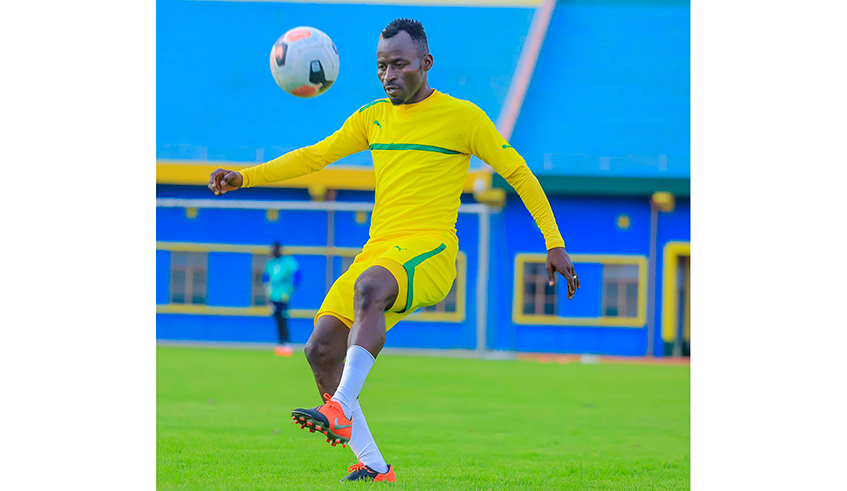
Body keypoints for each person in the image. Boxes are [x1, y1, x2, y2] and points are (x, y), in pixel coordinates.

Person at [208, 18, 580, 483]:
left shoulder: (464, 118)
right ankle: (373, 464)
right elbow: (313, 156)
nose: (388, 75)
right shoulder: (372, 118)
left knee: (370, 286)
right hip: (380, 249)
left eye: (399, 64)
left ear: (426, 63)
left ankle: (340, 408)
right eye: (382, 66)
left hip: (431, 251)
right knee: (320, 348)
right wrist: (246, 176)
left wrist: (554, 241)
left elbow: (519, 172)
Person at [263, 241, 300, 356]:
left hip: (284, 295)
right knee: (277, 319)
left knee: (284, 318)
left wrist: (291, 289)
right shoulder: (270, 263)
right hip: (273, 296)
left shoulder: (288, 261)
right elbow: (265, 277)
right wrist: (267, 290)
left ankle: (287, 343)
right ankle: (280, 343)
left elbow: (298, 275)